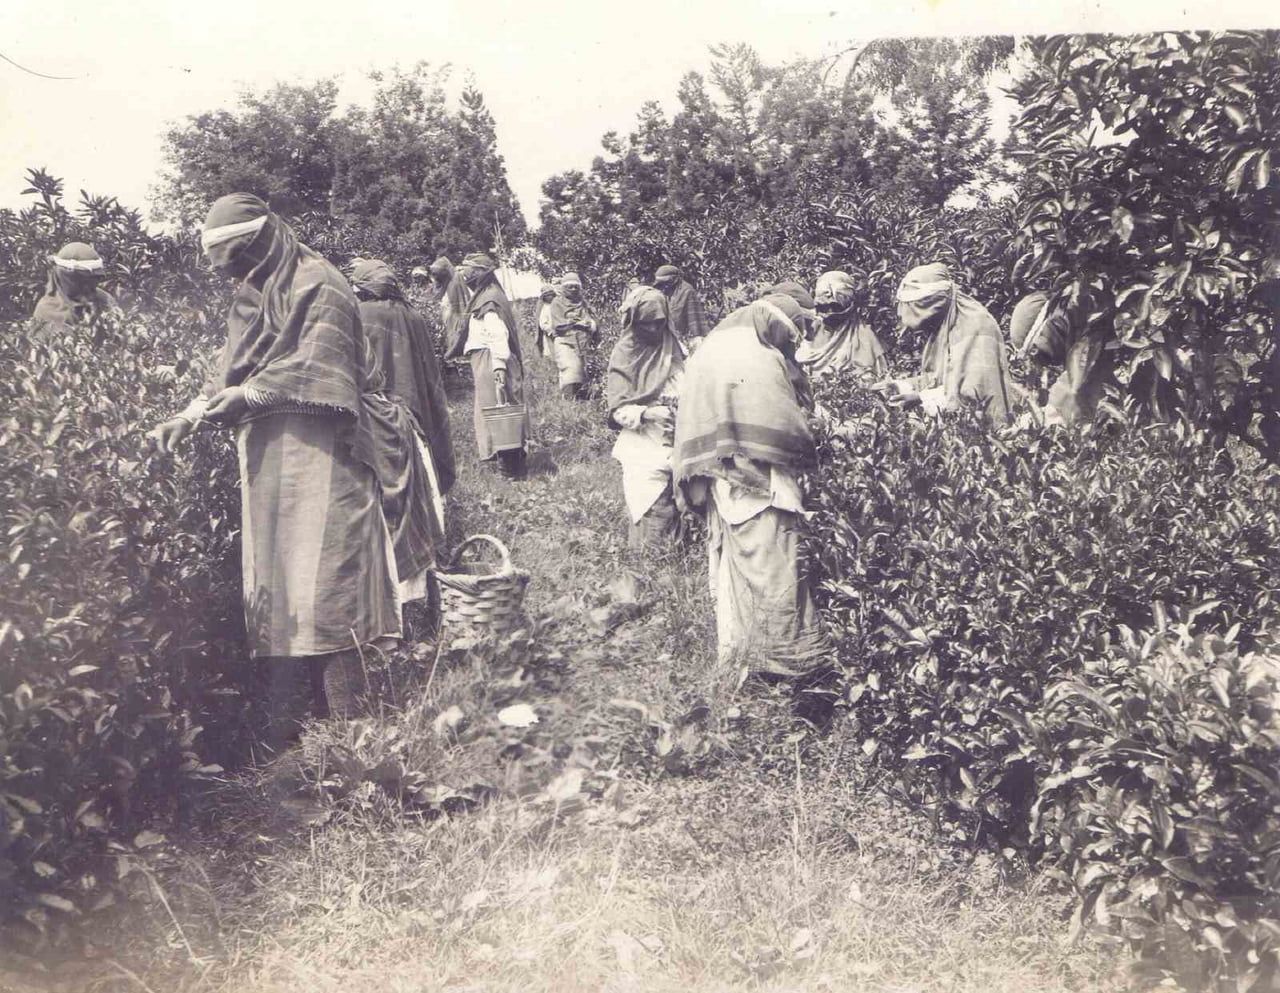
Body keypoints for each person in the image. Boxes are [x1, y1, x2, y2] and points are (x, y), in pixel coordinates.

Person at [146, 194, 433, 745]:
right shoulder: (254, 292)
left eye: (236, 258)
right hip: (274, 454)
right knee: (282, 575)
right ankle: (297, 721)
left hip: (331, 446)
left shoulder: (319, 282)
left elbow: (320, 365)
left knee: (331, 577)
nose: (230, 272)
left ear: (260, 243)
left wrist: (250, 396)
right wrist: (188, 414)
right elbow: (231, 369)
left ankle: (352, 724)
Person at [672, 293, 830, 678]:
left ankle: (747, 664)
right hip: (762, 486)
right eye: (790, 337)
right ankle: (788, 668)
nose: (790, 346)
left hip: (724, 483)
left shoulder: (716, 348)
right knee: (776, 577)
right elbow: (786, 430)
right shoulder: (758, 358)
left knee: (737, 580)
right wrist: (818, 433)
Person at [350, 258, 456, 524]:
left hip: (374, 411)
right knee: (420, 468)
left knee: (382, 480)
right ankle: (429, 531)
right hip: (413, 408)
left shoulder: (360, 315)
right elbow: (428, 369)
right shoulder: (413, 316)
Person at [874, 262, 1013, 424]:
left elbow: (975, 392)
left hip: (980, 429)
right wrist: (900, 386)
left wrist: (920, 398)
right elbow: (940, 379)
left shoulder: (975, 327)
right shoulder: (945, 324)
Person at [607, 286, 685, 551]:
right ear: (635, 323)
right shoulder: (626, 352)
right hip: (643, 443)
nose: (653, 330)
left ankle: (670, 563)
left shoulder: (672, 345)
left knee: (675, 504)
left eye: (659, 324)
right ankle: (647, 567)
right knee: (649, 506)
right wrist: (647, 413)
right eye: (646, 325)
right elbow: (618, 408)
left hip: (675, 439)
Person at [458, 252, 530, 479]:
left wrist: (498, 366)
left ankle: (510, 469)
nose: (465, 275)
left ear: (480, 273)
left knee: (499, 412)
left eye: (469, 269)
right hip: (486, 359)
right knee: (497, 410)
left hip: (491, 360)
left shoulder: (489, 300)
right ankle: (511, 465)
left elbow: (498, 334)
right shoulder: (486, 296)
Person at [1009, 291, 1117, 427]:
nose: (1045, 363)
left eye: (1038, 352)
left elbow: (1062, 408)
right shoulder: (1086, 336)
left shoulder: (1088, 348)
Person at [799, 270, 889, 383]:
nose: (829, 313)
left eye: (835, 307)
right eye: (824, 308)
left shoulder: (864, 337)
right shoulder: (809, 330)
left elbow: (877, 377)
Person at [28, 242, 118, 343]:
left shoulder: (104, 300)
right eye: (81, 281)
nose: (87, 288)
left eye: (92, 280)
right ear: (65, 278)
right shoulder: (46, 310)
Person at [547, 272, 598, 399]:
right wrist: (575, 324)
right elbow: (558, 326)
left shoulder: (583, 302)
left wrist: (590, 323)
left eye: (576, 286)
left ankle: (583, 401)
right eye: (569, 286)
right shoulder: (557, 303)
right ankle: (569, 402)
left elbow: (591, 316)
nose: (573, 289)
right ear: (564, 288)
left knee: (584, 372)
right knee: (570, 370)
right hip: (565, 341)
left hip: (582, 341)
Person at [653, 263, 711, 348]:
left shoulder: (687, 291)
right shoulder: (659, 288)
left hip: (681, 336)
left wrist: (696, 336)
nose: (664, 285)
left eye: (666, 282)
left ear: (674, 279)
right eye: (661, 283)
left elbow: (693, 316)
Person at [430, 256, 470, 361]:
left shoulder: (456, 278)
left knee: (456, 335)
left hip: (456, 315)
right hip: (447, 315)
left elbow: (463, 299)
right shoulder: (443, 283)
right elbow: (436, 296)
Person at [534, 283, 558, 359]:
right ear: (544, 297)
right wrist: (550, 330)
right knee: (551, 351)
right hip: (550, 334)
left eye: (551, 295)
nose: (550, 297)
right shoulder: (545, 308)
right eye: (547, 295)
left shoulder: (557, 306)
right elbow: (542, 323)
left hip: (560, 332)